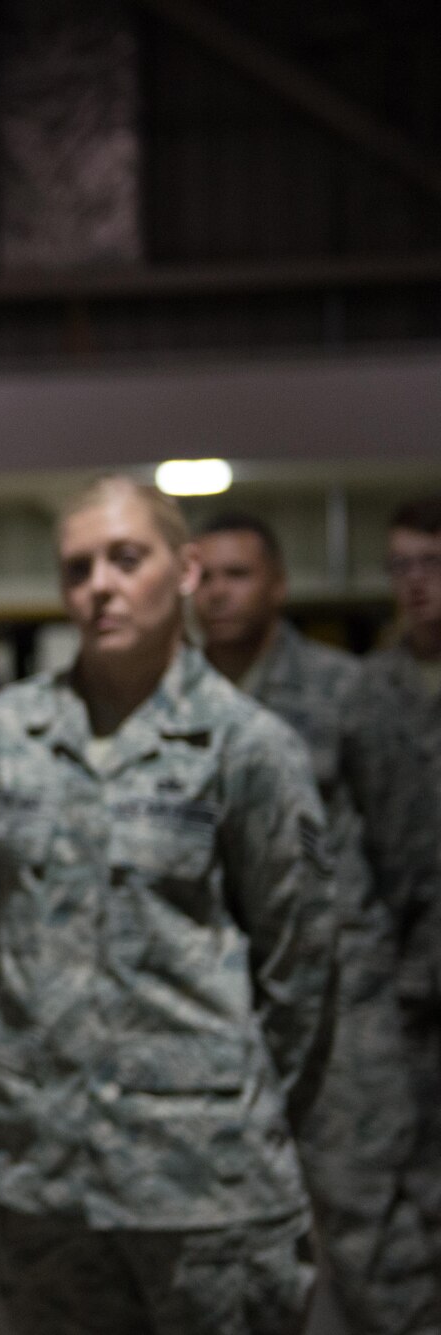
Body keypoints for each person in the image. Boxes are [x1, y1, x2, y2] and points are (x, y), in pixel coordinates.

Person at [0, 477, 339, 1335]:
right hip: (45, 1180)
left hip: (205, 1190)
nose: (98, 584)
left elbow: (303, 966)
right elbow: (1, 937)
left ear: (186, 570)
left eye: (125, 558)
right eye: (77, 567)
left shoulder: (248, 746)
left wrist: (230, 1108)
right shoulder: (8, 737)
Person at [193, 511, 440, 1335]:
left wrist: (388, 978)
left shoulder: (347, 692)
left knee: (374, 1233)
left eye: (238, 574)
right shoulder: (176, 700)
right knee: (229, 1245)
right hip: (219, 1009)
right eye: (206, 575)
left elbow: (406, 848)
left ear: (279, 585)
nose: (218, 592)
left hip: (347, 1006)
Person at [357, 495, 441, 1258]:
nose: (417, 582)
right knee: (396, 1194)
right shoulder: (367, 693)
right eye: (403, 565)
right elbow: (332, 838)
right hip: (399, 987)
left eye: (434, 564)